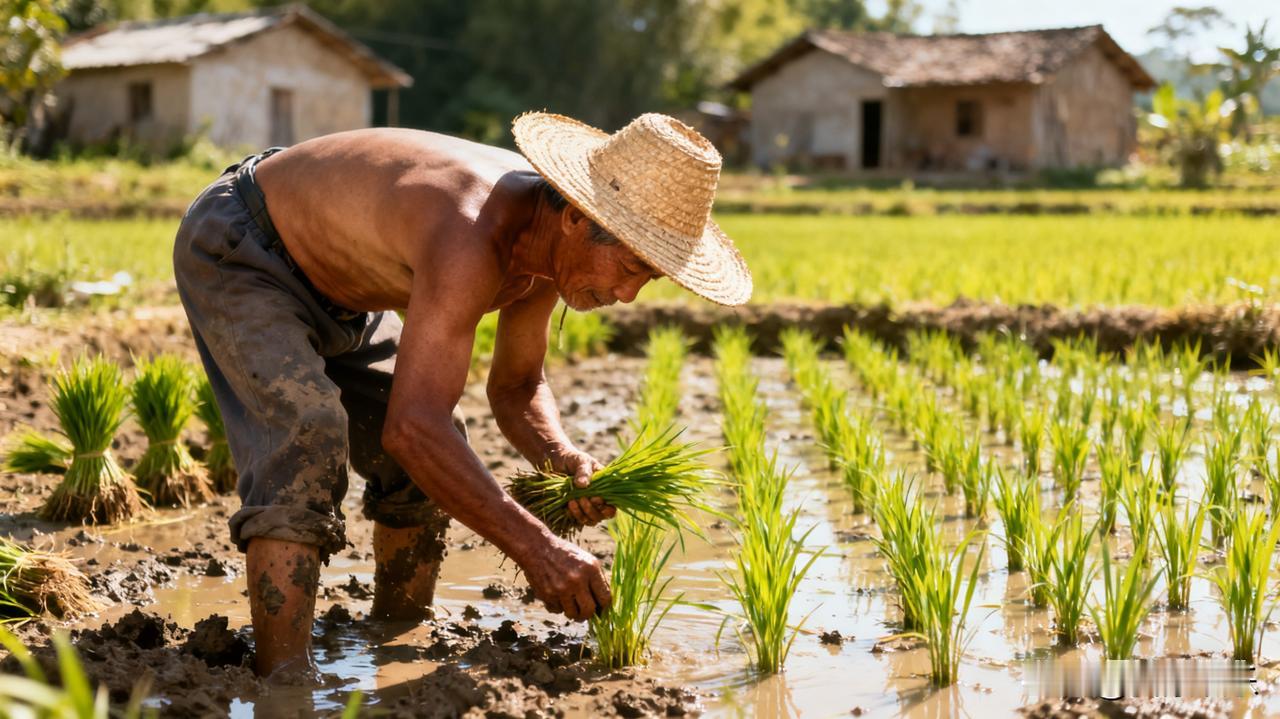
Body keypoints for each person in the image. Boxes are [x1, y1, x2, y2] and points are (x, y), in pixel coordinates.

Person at [172, 111, 752, 680]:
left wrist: (562, 458)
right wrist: (539, 549)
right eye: (627, 266)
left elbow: (518, 386)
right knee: (310, 430)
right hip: (247, 246)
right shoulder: (472, 229)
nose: (626, 294)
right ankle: (286, 679)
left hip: (344, 292)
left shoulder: (546, 246)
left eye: (645, 279)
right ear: (577, 216)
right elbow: (414, 426)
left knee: (436, 453)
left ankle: (396, 634)